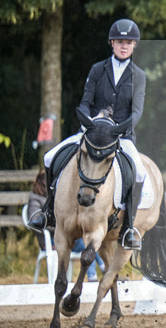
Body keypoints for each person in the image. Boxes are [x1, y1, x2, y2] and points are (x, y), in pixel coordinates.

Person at [27, 18, 148, 250]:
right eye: (120, 41)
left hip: (121, 136)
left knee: (140, 173)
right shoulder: (97, 69)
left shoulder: (138, 76)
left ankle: (129, 228)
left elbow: (137, 112)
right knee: (50, 157)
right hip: (92, 133)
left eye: (129, 42)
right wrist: (88, 123)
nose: (124, 46)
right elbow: (85, 103)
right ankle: (47, 213)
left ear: (134, 46)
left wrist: (117, 129)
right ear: (112, 43)